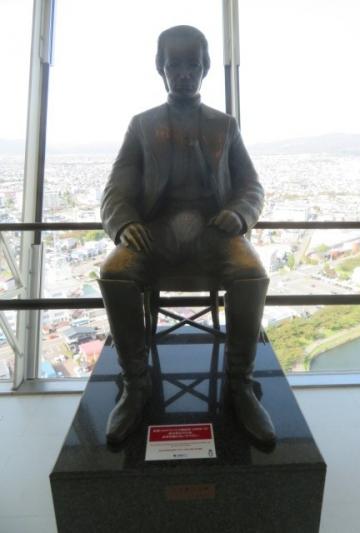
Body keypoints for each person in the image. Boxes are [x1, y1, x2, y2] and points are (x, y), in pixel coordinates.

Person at [98, 25, 276, 446]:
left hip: (215, 232)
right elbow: (116, 190)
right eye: (174, 64)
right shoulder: (142, 126)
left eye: (192, 65)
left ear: (205, 68)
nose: (183, 73)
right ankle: (136, 384)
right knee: (114, 271)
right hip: (156, 233)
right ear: (160, 68)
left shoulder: (224, 125)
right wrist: (125, 224)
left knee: (252, 272)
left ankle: (240, 383)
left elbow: (251, 185)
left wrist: (239, 213)